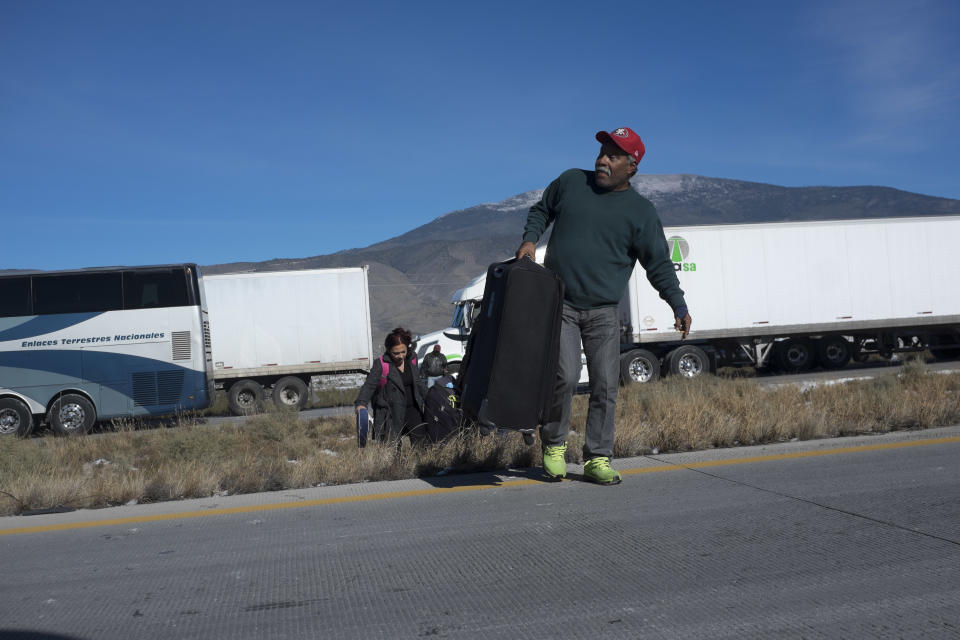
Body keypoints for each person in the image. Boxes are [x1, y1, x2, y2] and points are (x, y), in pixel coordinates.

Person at [516, 127, 692, 485]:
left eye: (613, 156)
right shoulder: (570, 183)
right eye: (602, 152)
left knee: (606, 384)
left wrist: (677, 303)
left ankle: (597, 456)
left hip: (603, 311)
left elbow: (658, 264)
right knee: (564, 376)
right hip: (560, 302)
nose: (602, 160)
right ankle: (553, 445)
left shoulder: (641, 212)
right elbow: (540, 210)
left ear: (632, 167)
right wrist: (530, 241)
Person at [354, 327, 428, 448]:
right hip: (390, 414)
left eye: (403, 352)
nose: (400, 356)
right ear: (388, 350)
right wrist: (361, 403)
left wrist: (431, 397)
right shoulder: (381, 364)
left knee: (421, 448)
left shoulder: (412, 359)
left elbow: (418, 383)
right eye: (396, 353)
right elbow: (369, 385)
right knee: (392, 453)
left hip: (413, 411)